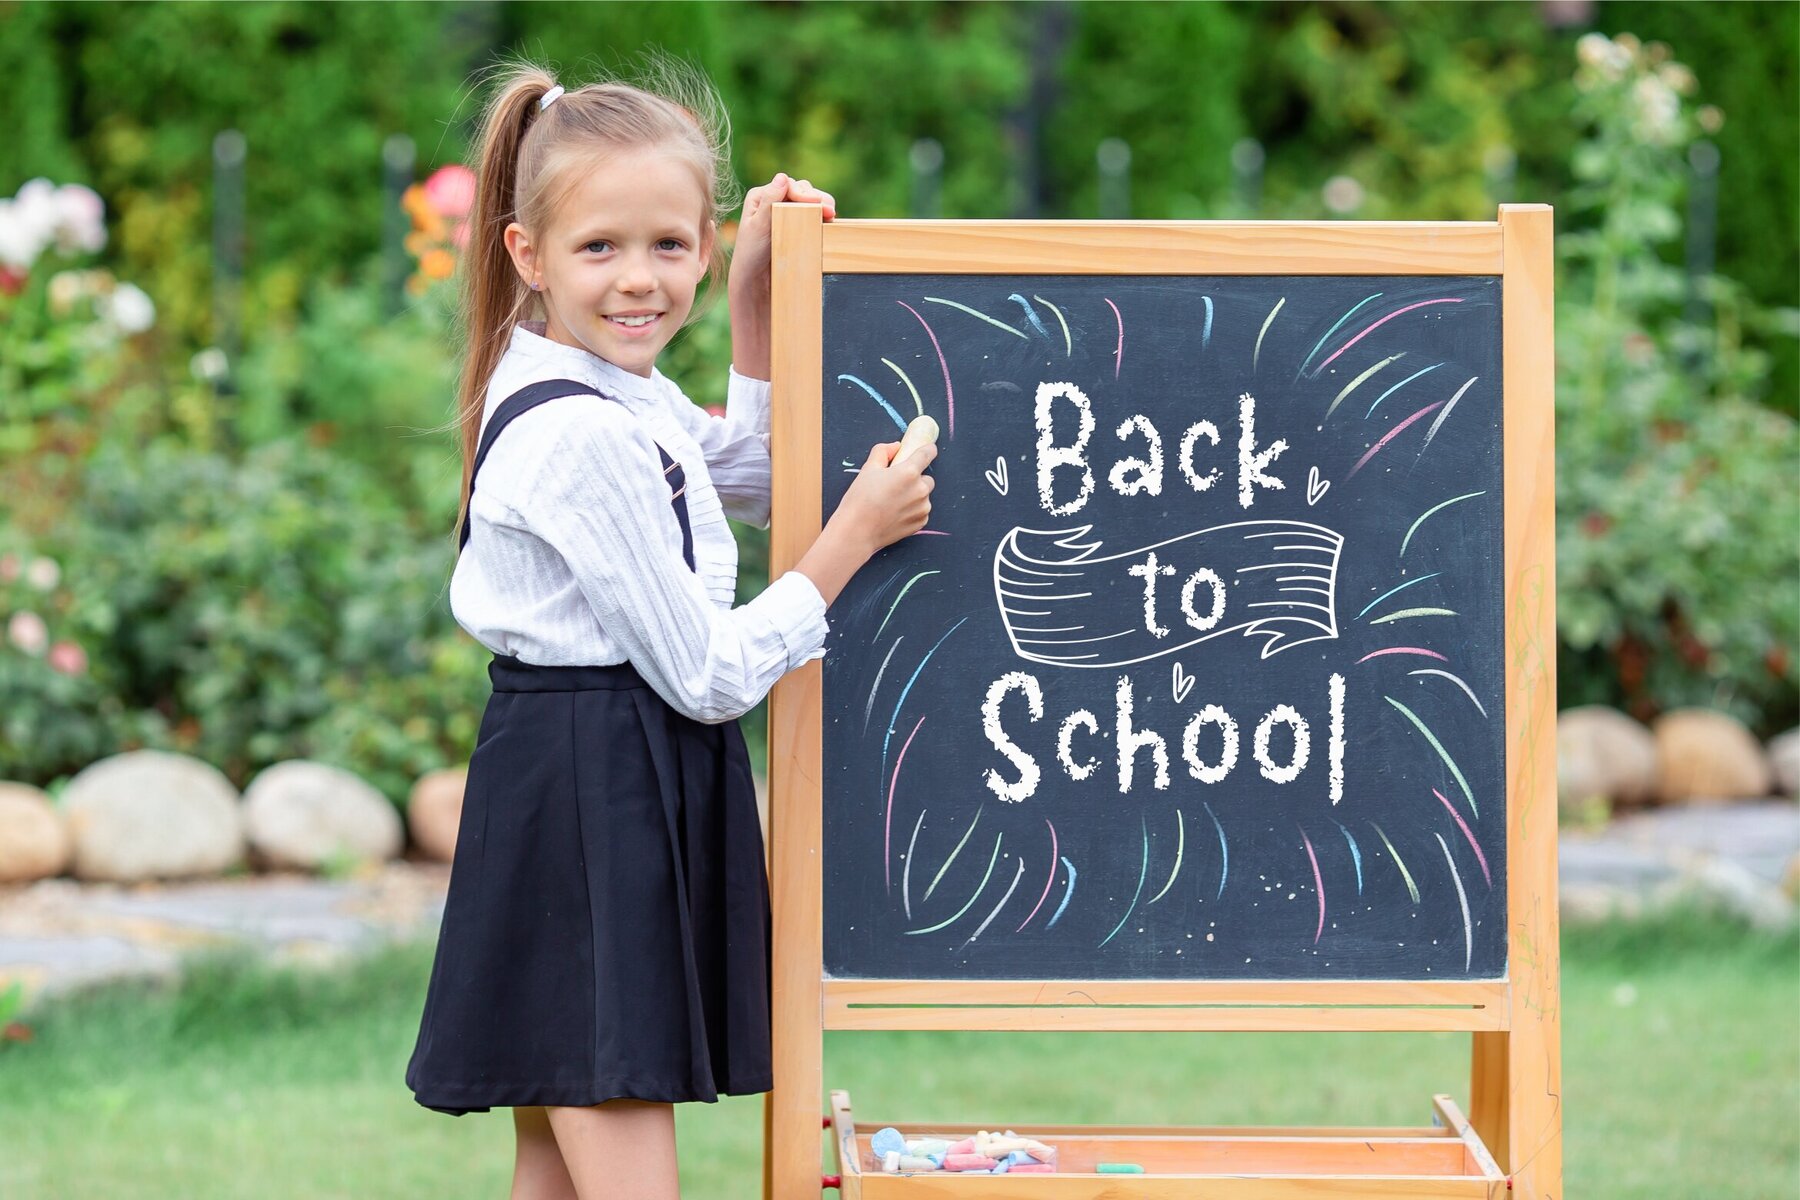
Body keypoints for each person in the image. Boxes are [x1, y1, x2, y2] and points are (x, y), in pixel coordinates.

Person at [404, 55, 935, 1200]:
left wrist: (752, 301)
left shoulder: (612, 390)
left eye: (671, 247)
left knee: (558, 1168)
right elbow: (706, 675)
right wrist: (850, 542)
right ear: (527, 254)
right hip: (597, 789)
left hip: (599, 781)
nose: (639, 281)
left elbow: (746, 469)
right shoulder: (579, 432)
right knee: (614, 1135)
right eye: (600, 248)